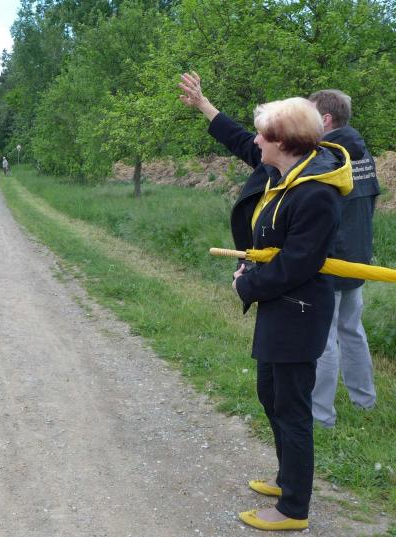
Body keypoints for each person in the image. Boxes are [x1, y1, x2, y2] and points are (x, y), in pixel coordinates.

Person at [179, 73, 352, 531]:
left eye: (263, 135)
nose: (256, 141)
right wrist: (204, 106)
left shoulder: (315, 193)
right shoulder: (284, 170)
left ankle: (293, 509)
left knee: (292, 407)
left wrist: (248, 285)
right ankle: (286, 479)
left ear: (283, 140)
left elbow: (297, 264)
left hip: (299, 311)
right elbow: (239, 140)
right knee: (270, 394)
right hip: (281, 306)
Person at [307, 90, 380, 428]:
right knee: (352, 330)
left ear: (325, 119)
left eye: (310, 114)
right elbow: (370, 203)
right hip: (358, 256)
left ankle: (320, 416)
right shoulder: (363, 154)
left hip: (331, 259)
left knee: (323, 339)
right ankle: (365, 401)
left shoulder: (327, 156)